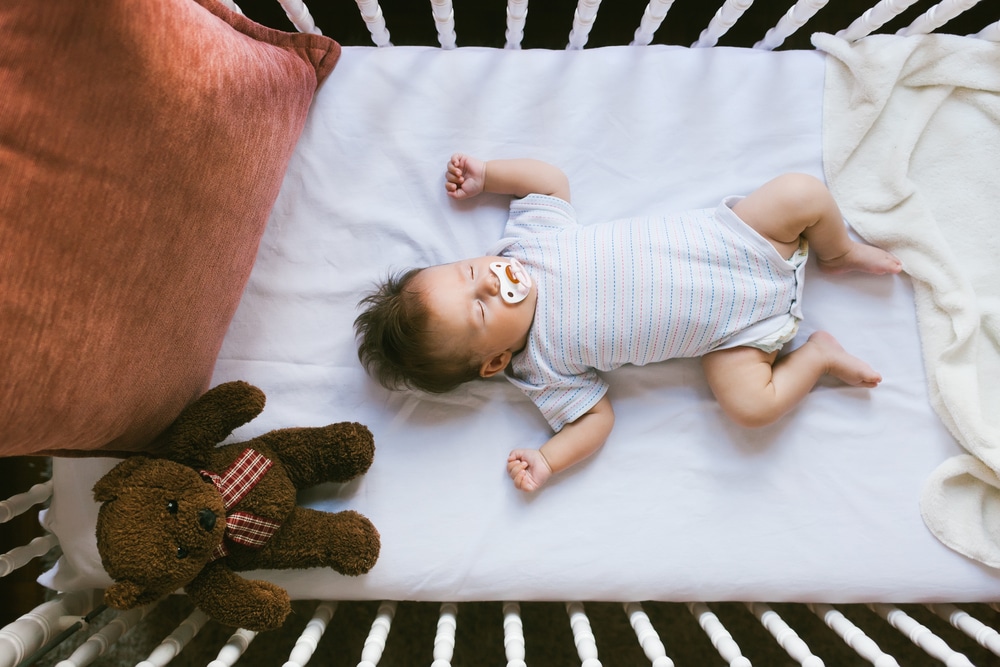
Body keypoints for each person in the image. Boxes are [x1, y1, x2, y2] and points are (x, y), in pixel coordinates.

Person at [355, 154, 902, 492]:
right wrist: (548, 460)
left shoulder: (529, 242)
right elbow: (594, 422)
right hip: (736, 334)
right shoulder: (540, 368)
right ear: (495, 361)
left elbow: (548, 181)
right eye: (481, 308)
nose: (492, 281)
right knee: (750, 407)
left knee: (800, 192)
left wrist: (488, 175)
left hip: (739, 240)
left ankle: (838, 252)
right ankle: (818, 355)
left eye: (472, 270)